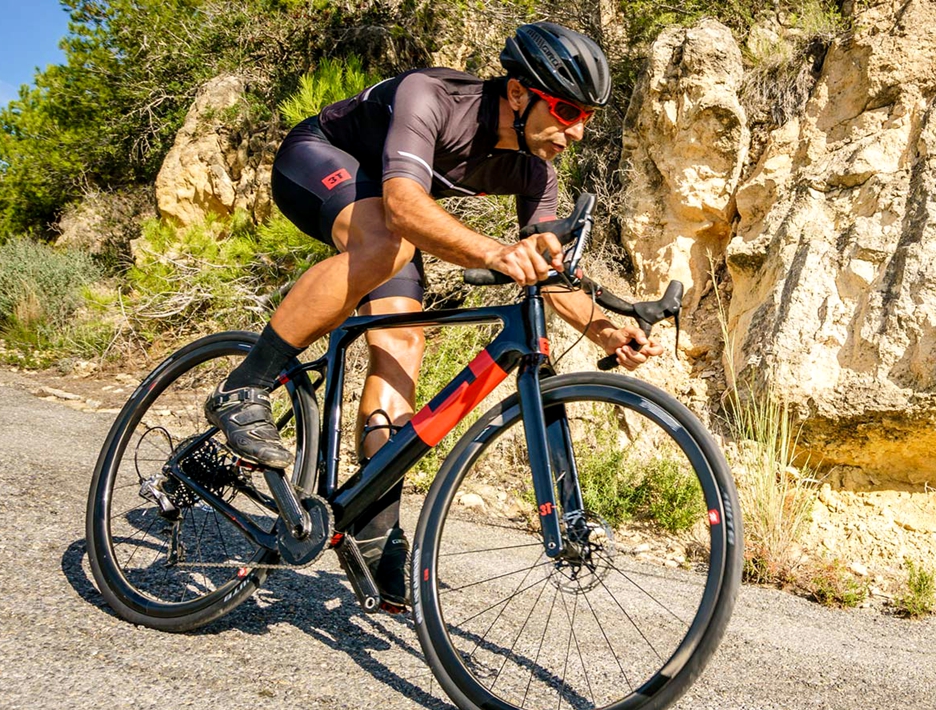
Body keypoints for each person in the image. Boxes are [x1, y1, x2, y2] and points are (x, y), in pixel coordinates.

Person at [206, 22, 663, 609]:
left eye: (586, 119)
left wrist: (604, 327)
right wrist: (497, 252)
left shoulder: (535, 171)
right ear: (519, 92)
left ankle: (370, 530)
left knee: (405, 342)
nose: (575, 132)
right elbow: (400, 206)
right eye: (567, 110)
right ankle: (245, 386)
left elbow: (545, 270)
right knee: (385, 242)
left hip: (385, 214)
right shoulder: (433, 97)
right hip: (319, 158)